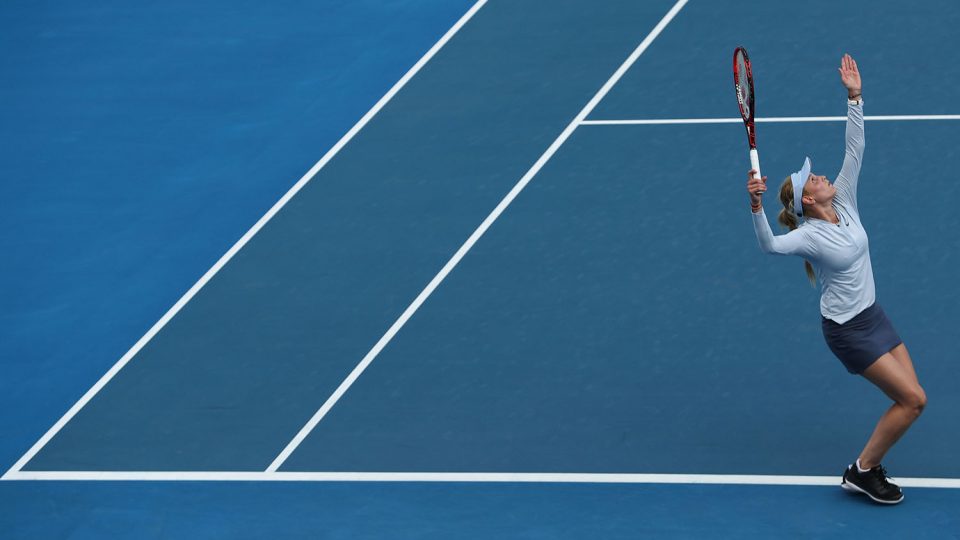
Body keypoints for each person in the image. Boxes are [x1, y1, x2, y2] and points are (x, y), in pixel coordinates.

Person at [746, 54, 926, 505]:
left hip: (874, 314)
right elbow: (770, 245)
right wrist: (755, 208)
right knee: (913, 401)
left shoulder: (844, 201)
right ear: (809, 198)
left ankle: (868, 465)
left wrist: (854, 97)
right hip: (848, 331)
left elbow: (855, 149)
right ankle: (862, 471)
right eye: (815, 179)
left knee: (911, 401)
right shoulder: (809, 236)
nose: (823, 176)